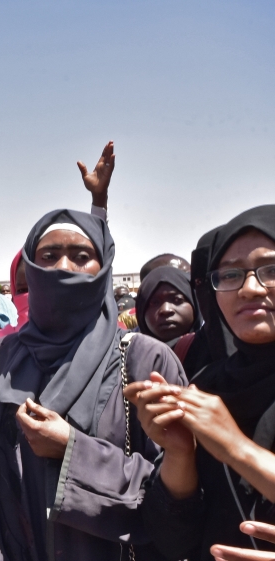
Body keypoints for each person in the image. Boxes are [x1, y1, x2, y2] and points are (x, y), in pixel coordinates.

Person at [0, 209, 187, 561]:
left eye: (82, 256)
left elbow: (178, 501)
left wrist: (73, 451)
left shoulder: (145, 361)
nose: (63, 267)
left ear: (103, 269)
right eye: (49, 256)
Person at [131, 205, 275, 560]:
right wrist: (180, 453)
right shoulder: (206, 388)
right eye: (230, 275)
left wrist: (235, 448)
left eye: (271, 269)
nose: (250, 289)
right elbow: (174, 540)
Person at [0, 140, 115, 344]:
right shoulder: (3, 347)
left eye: (33, 287)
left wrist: (99, 200)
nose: (30, 297)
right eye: (22, 290)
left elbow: (100, 270)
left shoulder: (98, 338)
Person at [134, 266, 199, 363]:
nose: (166, 310)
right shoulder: (128, 357)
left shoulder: (217, 353)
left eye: (177, 300)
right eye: (154, 303)